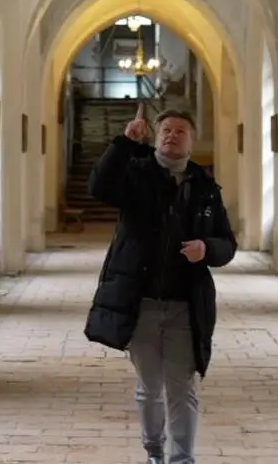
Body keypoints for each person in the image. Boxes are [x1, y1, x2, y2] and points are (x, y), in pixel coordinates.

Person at [84, 104, 237, 464]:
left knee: (183, 388)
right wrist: (124, 143)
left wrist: (207, 248)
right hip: (141, 303)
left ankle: (182, 459)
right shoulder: (135, 174)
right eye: (166, 129)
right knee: (150, 386)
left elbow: (227, 244)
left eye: (181, 131)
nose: (172, 135)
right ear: (156, 137)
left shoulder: (206, 188)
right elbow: (99, 187)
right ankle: (154, 450)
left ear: (192, 141)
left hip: (186, 305)